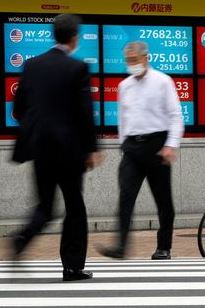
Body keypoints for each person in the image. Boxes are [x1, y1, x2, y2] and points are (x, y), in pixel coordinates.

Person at [10, 14, 101, 281]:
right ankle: (72, 267)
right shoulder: (77, 68)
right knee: (75, 208)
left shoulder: (32, 65)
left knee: (45, 207)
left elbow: (18, 108)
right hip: (69, 151)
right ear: (74, 38)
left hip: (39, 149)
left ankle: (21, 239)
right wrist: (91, 148)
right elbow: (85, 113)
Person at [98, 41, 184, 260]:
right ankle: (121, 245)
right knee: (125, 196)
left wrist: (170, 145)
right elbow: (123, 119)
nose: (131, 64)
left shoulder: (163, 81)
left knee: (163, 200)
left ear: (146, 58)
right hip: (132, 148)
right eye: (128, 61)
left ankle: (164, 247)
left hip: (157, 146)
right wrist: (123, 144)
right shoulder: (124, 86)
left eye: (134, 60)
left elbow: (175, 116)